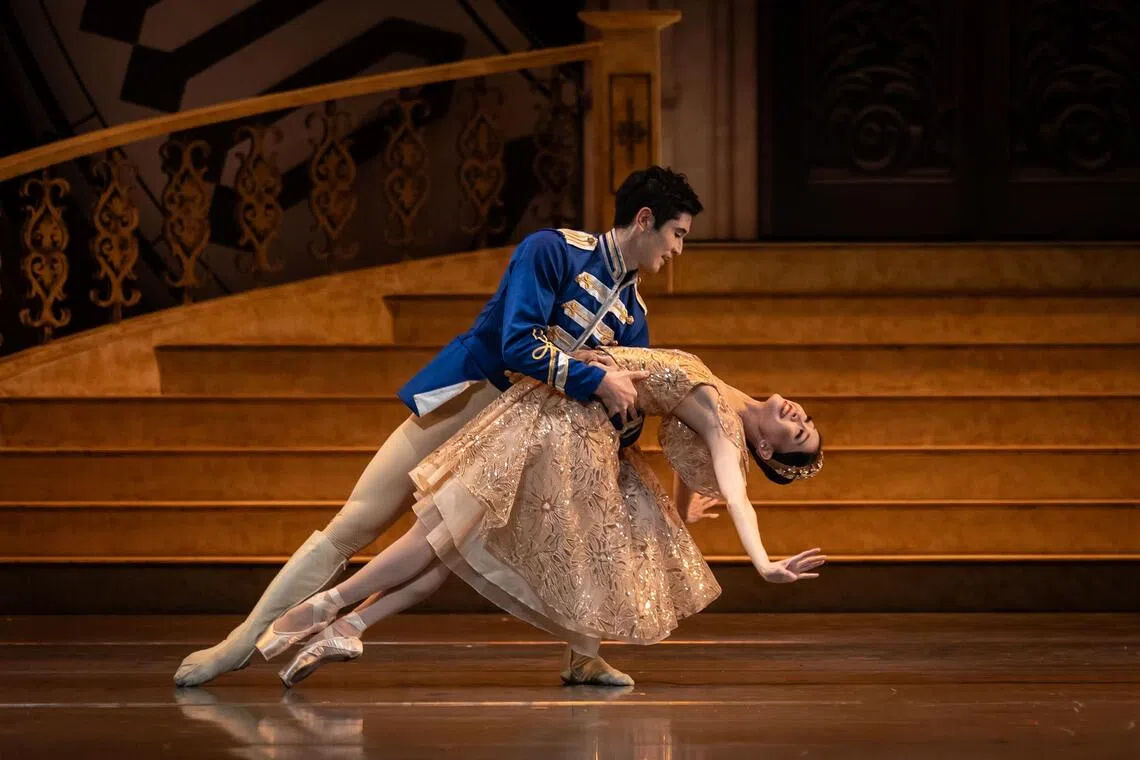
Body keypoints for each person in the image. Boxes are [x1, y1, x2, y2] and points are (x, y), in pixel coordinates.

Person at [173, 167, 704, 687]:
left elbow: (619, 408)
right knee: (355, 524)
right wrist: (598, 382)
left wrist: (626, 416)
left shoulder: (633, 313)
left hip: (517, 440)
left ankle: (579, 656)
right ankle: (240, 642)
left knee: (444, 555)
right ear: (644, 219)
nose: (677, 250)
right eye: (676, 234)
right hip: (472, 397)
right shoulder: (554, 250)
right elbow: (516, 344)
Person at [253, 345, 825, 688]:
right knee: (452, 535)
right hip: (566, 412)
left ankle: (325, 612)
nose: (799, 415)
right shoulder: (729, 401)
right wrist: (678, 511)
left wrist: (762, 563)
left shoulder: (727, 428)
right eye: (807, 419)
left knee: (448, 529)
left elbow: (737, 492)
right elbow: (684, 441)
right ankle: (347, 625)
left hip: (566, 424)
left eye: (797, 432)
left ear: (769, 450)